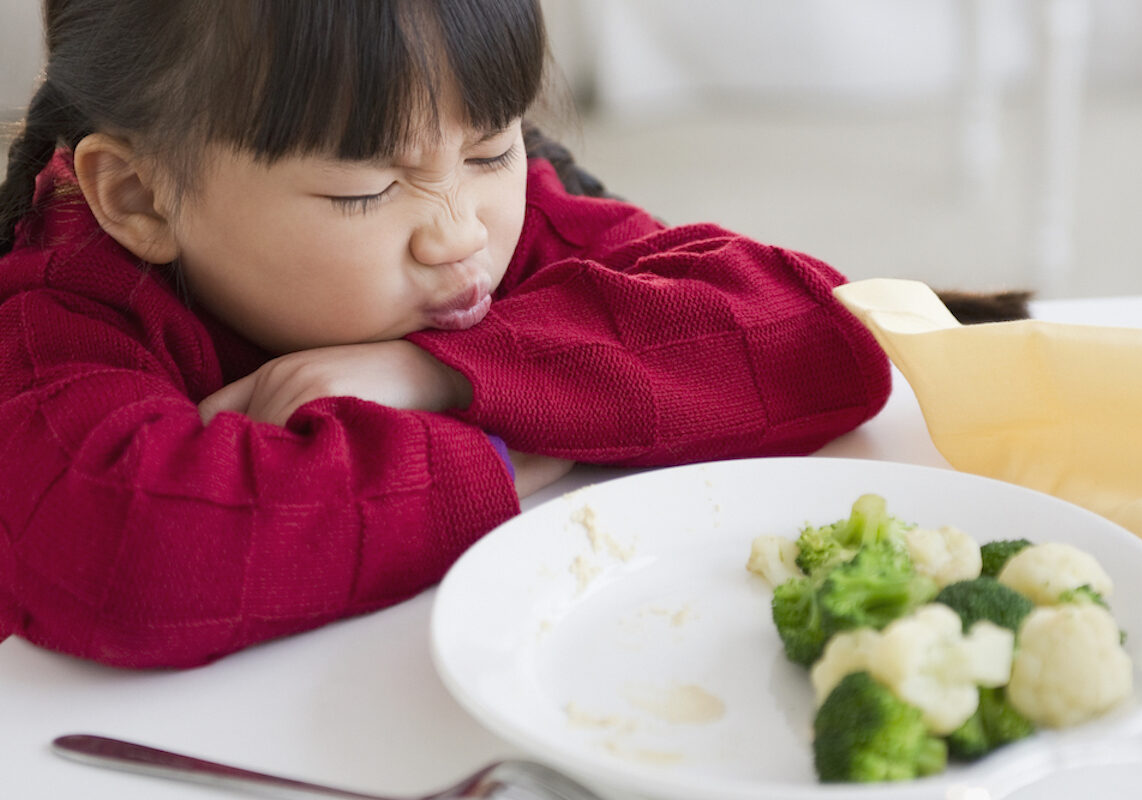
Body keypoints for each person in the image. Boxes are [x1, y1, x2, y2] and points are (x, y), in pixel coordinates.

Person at [0, 0, 892, 669]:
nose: (460, 232)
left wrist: (438, 377)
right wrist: (508, 457)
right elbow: (131, 556)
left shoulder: (507, 215)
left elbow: (821, 331)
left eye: (492, 147)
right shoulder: (57, 313)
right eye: (364, 190)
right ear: (138, 197)